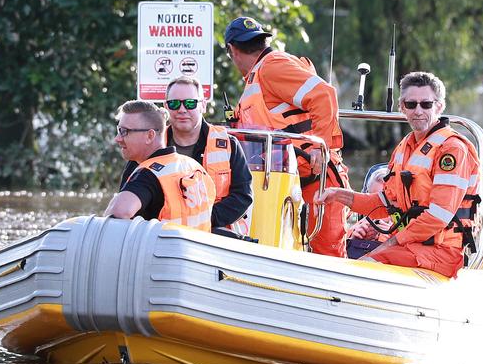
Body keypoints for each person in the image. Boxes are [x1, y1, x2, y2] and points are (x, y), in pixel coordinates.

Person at [318, 71, 481, 278]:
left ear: (439, 106)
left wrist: (388, 244)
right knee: (352, 255)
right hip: (409, 245)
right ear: (402, 107)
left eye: (426, 104)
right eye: (411, 104)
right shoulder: (405, 147)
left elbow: (438, 217)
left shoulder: (452, 149)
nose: (418, 111)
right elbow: (384, 203)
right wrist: (340, 195)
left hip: (441, 252)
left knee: (366, 264)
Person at [223, 15, 350, 256]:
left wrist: (318, 149)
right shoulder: (256, 79)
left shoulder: (272, 66)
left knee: (327, 253)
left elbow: (324, 95)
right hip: (283, 185)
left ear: (232, 49)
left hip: (316, 180)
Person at [156, 75, 254, 236]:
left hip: (216, 236)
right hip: (163, 234)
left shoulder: (229, 144)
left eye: (190, 103)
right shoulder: (152, 145)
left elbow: (243, 196)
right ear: (166, 107)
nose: (182, 110)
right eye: (174, 104)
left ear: (203, 106)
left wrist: (204, 219)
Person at [104, 99, 216, 231]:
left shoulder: (149, 173)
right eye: (119, 130)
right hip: (196, 249)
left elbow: (117, 214)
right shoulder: (193, 166)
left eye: (124, 131)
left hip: (162, 251)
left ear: (150, 135)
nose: (117, 138)